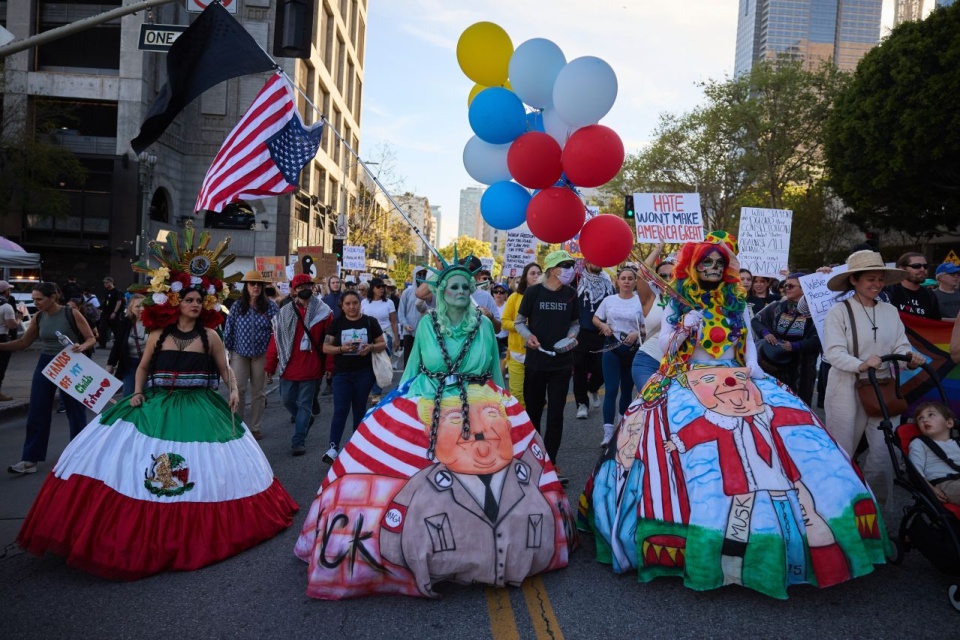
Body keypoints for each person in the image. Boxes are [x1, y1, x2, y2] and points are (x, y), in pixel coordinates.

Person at [585, 232, 892, 598]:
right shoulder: (676, 302)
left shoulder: (735, 303)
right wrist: (684, 327)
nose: (713, 269)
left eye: (719, 263)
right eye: (706, 263)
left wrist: (754, 371)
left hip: (740, 380)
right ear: (693, 267)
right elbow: (666, 347)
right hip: (691, 382)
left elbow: (746, 343)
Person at [16, 230, 298, 578]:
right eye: (189, 299)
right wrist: (136, 392)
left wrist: (235, 389)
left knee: (207, 467)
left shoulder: (210, 335)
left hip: (200, 404)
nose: (195, 304)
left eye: (199, 300)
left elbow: (225, 369)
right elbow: (145, 366)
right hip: (157, 400)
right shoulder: (157, 335)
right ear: (177, 302)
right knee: (125, 458)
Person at [294, 251, 574, 599]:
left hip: (478, 396)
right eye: (453, 286)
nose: (459, 291)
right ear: (442, 292)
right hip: (429, 396)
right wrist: (394, 400)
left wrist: (502, 399)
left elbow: (492, 370)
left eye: (465, 286)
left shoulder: (485, 325)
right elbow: (414, 367)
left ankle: (488, 548)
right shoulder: (428, 324)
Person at [823, 250, 924, 505]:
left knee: (884, 453)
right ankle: (839, 507)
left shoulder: (890, 311)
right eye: (870, 279)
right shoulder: (839, 312)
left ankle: (873, 510)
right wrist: (860, 364)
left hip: (883, 387)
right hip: (846, 388)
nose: (877, 284)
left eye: (880, 279)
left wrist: (909, 355)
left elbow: (901, 344)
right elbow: (833, 352)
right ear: (854, 280)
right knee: (842, 450)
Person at [2, 282, 96, 475]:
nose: (35, 303)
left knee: (75, 411)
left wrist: (83, 347)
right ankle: (30, 459)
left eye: (39, 299)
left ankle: (79, 456)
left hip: (71, 364)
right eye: (34, 299)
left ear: (53, 297)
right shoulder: (39, 317)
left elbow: (91, 338)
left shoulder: (71, 313)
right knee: (37, 410)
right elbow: (23, 343)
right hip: (46, 364)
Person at [515, 249, 580, 480]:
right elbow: (519, 322)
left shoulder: (572, 294)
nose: (570, 270)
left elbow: (575, 323)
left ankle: (551, 463)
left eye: (571, 265)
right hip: (535, 362)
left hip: (561, 364)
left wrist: (573, 335)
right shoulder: (533, 292)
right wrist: (528, 336)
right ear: (552, 269)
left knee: (556, 415)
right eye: (566, 265)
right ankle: (533, 462)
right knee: (532, 413)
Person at [266, 273, 334, 456]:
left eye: (308, 286)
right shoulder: (285, 312)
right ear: (294, 290)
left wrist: (329, 366)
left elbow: (329, 341)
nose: (304, 289)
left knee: (304, 404)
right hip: (288, 366)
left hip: (312, 366)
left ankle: (298, 440)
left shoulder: (324, 312)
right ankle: (305, 419)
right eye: (300, 286)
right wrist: (270, 365)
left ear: (313, 288)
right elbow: (276, 340)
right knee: (287, 400)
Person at [321, 290, 386, 463]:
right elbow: (326, 347)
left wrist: (370, 347)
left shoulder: (370, 322)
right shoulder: (336, 323)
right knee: (340, 410)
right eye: (347, 304)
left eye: (355, 303)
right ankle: (333, 449)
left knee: (359, 410)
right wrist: (342, 349)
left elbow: (382, 343)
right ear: (342, 306)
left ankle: (358, 447)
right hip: (341, 373)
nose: (351, 307)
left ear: (360, 303)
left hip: (364, 373)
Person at [223, 270, 278, 441]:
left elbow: (277, 331)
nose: (255, 287)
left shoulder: (271, 306)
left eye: (258, 284)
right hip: (239, 353)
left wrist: (273, 357)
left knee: (258, 392)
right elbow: (229, 329)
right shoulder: (237, 306)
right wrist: (228, 353)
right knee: (238, 388)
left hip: (261, 354)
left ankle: (255, 428)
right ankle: (238, 425)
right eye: (252, 284)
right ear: (246, 286)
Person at [593, 267, 644, 446]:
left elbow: (649, 326)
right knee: (611, 390)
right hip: (611, 348)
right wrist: (603, 326)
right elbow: (596, 318)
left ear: (635, 281)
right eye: (623, 278)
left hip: (632, 351)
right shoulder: (609, 300)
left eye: (630, 278)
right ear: (617, 280)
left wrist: (638, 333)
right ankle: (607, 434)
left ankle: (622, 430)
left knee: (627, 391)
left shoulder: (640, 300)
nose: (627, 281)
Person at [753, 273, 821, 404]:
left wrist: (795, 346)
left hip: (802, 369)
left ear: (803, 289)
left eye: (791, 286)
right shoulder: (777, 306)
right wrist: (766, 332)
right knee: (773, 402)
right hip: (775, 366)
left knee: (798, 403)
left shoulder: (815, 311)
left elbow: (819, 339)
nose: (786, 288)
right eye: (785, 285)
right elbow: (756, 320)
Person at [573, 261, 615, 420]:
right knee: (579, 369)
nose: (597, 262)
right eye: (593, 259)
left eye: (600, 259)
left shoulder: (608, 282)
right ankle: (581, 404)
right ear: (586, 262)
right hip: (580, 331)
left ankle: (593, 388)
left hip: (602, 332)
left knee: (601, 368)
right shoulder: (577, 280)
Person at [501, 262, 541, 406]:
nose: (536, 276)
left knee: (533, 394)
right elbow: (504, 322)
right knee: (517, 394)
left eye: (538, 273)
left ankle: (531, 423)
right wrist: (521, 326)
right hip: (517, 353)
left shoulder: (545, 296)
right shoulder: (514, 297)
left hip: (537, 353)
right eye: (532, 273)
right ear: (525, 277)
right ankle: (522, 425)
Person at [908, 402, 960, 505]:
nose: (924, 420)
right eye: (920, 418)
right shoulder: (919, 443)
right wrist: (929, 488)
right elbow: (915, 469)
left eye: (931, 415)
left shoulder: (957, 443)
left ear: (949, 423)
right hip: (946, 483)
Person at [362, 277, 399, 403]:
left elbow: (394, 322)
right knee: (368, 365)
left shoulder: (389, 303)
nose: (382, 289)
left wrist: (396, 338)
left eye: (383, 287)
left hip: (384, 336)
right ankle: (368, 390)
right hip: (367, 337)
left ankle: (376, 393)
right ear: (372, 288)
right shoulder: (364, 303)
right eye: (379, 287)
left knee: (381, 363)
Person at [106, 293, 146, 398]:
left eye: (144, 305)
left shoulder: (154, 323)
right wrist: (110, 364)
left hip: (149, 365)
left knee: (148, 397)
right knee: (128, 396)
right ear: (131, 308)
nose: (142, 309)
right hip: (130, 364)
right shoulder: (125, 323)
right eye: (137, 306)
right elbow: (117, 345)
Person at [885, 252, 941, 320]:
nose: (922, 270)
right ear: (902, 269)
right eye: (916, 266)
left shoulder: (930, 295)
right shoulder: (889, 292)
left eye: (925, 266)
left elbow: (935, 323)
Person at [398, 267, 430, 368]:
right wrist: (406, 325)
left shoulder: (431, 293)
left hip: (425, 332)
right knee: (408, 360)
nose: (422, 276)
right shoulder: (407, 293)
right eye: (419, 274)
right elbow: (401, 312)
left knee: (424, 359)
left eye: (424, 274)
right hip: (409, 332)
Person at [0, 280, 18, 401]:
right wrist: (20, 320)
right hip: (1, 337)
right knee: (1, 366)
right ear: (6, 291)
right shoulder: (6, 306)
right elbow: (12, 325)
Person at [98, 276, 125, 348]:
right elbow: (106, 301)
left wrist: (115, 312)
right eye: (104, 283)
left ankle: (119, 344)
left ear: (111, 282)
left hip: (113, 313)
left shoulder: (116, 291)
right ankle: (102, 344)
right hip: (105, 313)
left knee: (116, 329)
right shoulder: (106, 291)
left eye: (106, 283)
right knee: (102, 328)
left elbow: (119, 302)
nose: (105, 284)